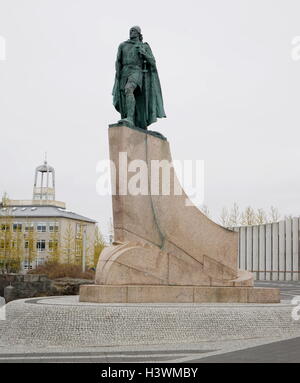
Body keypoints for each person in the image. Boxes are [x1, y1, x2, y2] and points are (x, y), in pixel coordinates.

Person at [112, 26, 166, 130]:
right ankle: (130, 118)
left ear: (139, 33)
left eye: (134, 31)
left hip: (136, 71)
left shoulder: (143, 46)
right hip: (124, 72)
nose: (131, 32)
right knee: (124, 96)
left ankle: (130, 118)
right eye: (130, 30)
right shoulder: (123, 45)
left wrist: (144, 53)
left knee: (129, 89)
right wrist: (118, 75)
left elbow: (152, 62)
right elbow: (118, 61)